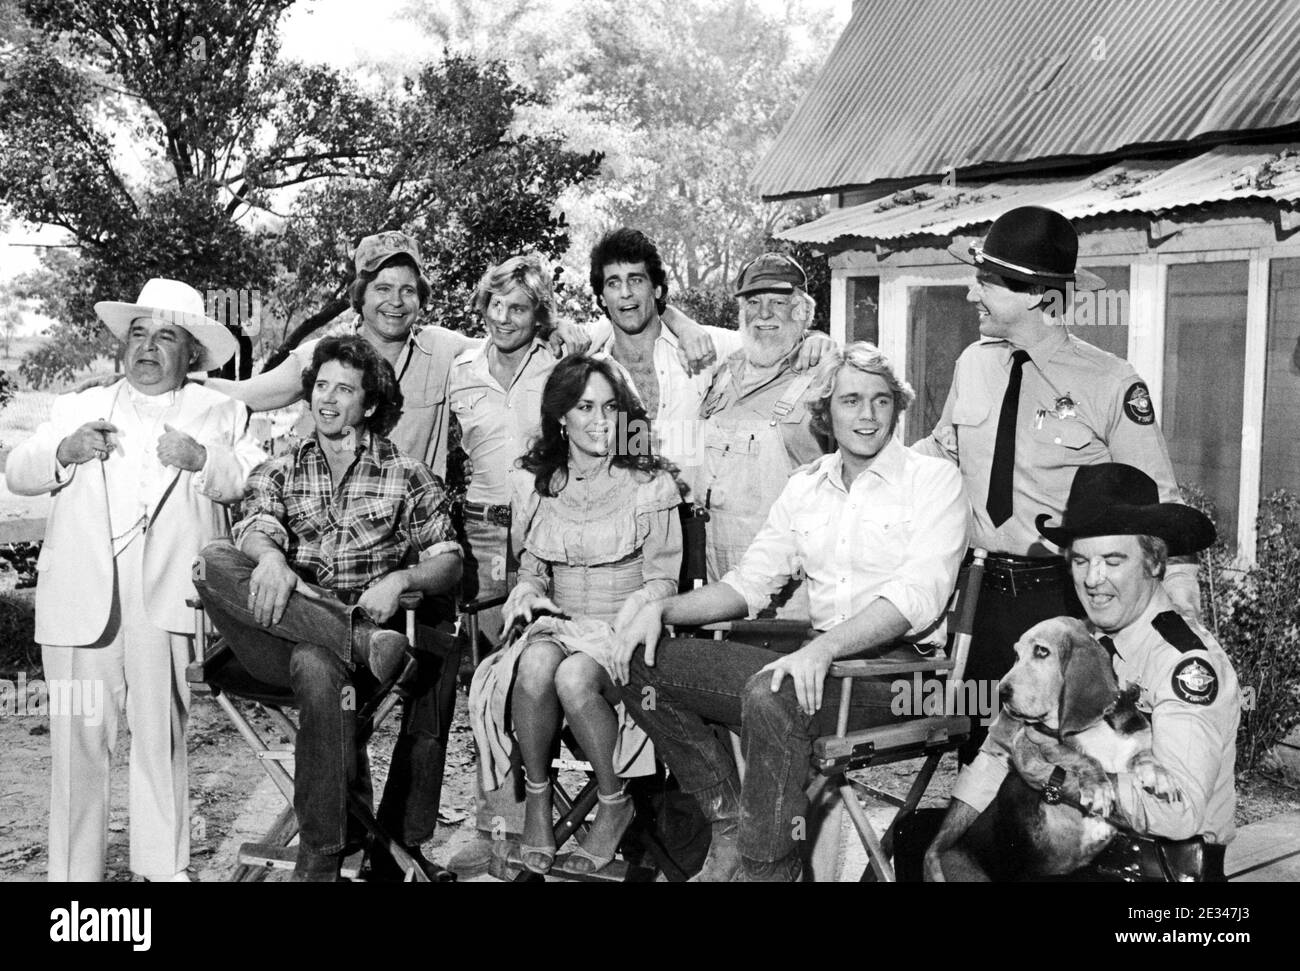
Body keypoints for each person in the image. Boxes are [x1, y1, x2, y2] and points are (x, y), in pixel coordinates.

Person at [614, 343, 968, 881]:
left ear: (898, 408)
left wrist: (823, 648)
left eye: (881, 400)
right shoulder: (805, 487)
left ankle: (767, 873)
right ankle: (730, 822)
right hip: (817, 674)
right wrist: (662, 610)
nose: (867, 416)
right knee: (642, 659)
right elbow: (749, 584)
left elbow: (916, 599)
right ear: (826, 413)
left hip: (901, 678)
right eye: (851, 400)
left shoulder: (933, 481)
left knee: (772, 694)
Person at [912, 205, 1199, 761]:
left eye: (987, 281)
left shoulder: (1111, 383)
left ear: (1039, 296)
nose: (972, 294)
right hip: (979, 598)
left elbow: (1158, 497)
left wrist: (1178, 594)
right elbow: (938, 454)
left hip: (1065, 602)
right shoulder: (973, 363)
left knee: (1062, 761)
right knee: (982, 754)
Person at [6, 278, 265, 882]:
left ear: (192, 353)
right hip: (81, 598)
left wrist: (204, 460)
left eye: (165, 336)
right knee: (76, 747)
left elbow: (251, 482)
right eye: (138, 334)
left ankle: (162, 872)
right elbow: (18, 470)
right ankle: (74, 880)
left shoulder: (222, 412)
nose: (147, 347)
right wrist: (63, 452)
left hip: (167, 597)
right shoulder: (77, 408)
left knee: (161, 739)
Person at [192, 336, 463, 881]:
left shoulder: (408, 475)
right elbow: (255, 522)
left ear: (370, 404)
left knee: (318, 667)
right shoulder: (280, 467)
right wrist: (269, 559)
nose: (329, 400)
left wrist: (404, 577)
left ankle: (321, 857)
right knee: (214, 559)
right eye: (321, 386)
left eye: (345, 389)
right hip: (269, 635)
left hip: (336, 660)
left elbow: (450, 560)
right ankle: (355, 635)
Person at [923, 463, 1239, 882]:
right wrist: (941, 848)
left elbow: (1177, 813)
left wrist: (1057, 781)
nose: (1092, 579)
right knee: (917, 841)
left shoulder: (1186, 666)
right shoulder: (1069, 640)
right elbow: (997, 751)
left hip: (1155, 870)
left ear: (1154, 562)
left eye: (1112, 560)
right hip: (1064, 851)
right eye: (1081, 561)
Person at [468, 355, 683, 875]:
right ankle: (537, 801)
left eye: (610, 407)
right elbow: (534, 569)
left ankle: (614, 802)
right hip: (557, 625)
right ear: (560, 415)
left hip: (623, 634)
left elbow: (663, 581)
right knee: (537, 665)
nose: (599, 420)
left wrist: (633, 616)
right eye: (584, 407)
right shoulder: (536, 482)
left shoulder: (648, 483)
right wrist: (524, 590)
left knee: (571, 675)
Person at [587, 229, 834, 474]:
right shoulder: (591, 373)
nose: (625, 292)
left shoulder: (705, 346)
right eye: (613, 283)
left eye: (636, 280)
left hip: (694, 509)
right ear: (601, 297)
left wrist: (814, 339)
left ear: (658, 290)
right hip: (624, 508)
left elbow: (768, 336)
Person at [688, 252, 832, 617]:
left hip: (789, 598)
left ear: (803, 311)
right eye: (753, 302)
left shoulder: (825, 375)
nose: (764, 314)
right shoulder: (722, 370)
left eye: (779, 303)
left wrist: (827, 345)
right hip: (718, 583)